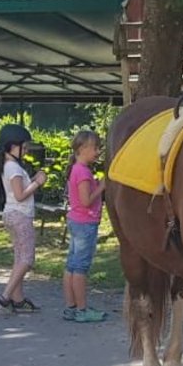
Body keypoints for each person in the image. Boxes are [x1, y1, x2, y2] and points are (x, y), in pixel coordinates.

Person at [0, 122, 47, 314]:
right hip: (20, 214)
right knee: (27, 258)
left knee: (19, 257)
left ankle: (18, 299)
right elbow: (20, 194)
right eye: (23, 147)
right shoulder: (13, 168)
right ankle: (5, 295)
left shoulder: (10, 166)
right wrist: (38, 183)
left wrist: (32, 180)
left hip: (12, 214)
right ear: (11, 146)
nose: (26, 151)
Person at [62, 129, 108, 323]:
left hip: (76, 221)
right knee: (80, 267)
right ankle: (82, 309)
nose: (98, 152)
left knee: (71, 265)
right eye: (95, 148)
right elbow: (86, 200)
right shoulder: (82, 171)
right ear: (82, 148)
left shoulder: (78, 169)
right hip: (85, 223)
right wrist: (102, 186)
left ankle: (71, 307)